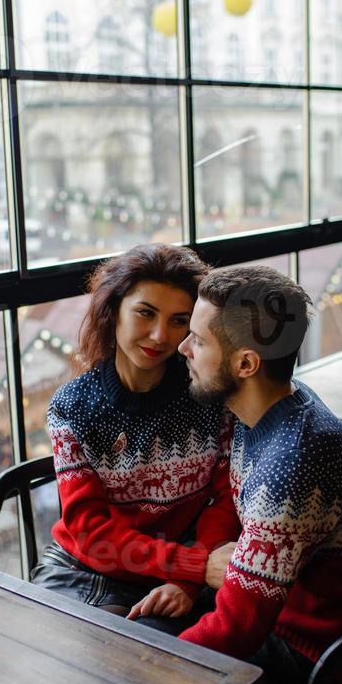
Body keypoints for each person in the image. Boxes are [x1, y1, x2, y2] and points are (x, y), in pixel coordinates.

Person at [131, 264, 342, 684]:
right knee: (143, 627)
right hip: (276, 606)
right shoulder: (273, 405)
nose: (183, 349)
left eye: (199, 340)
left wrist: (144, 675)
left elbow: (236, 631)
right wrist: (205, 572)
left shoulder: (293, 463)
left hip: (307, 653)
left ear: (246, 363)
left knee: (143, 673)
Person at [31, 244, 240, 627]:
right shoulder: (73, 407)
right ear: (113, 313)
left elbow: (228, 498)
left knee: (156, 668)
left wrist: (188, 579)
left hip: (182, 567)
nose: (160, 336)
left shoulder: (210, 397)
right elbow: (90, 533)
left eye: (179, 320)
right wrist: (195, 567)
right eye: (145, 313)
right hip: (86, 569)